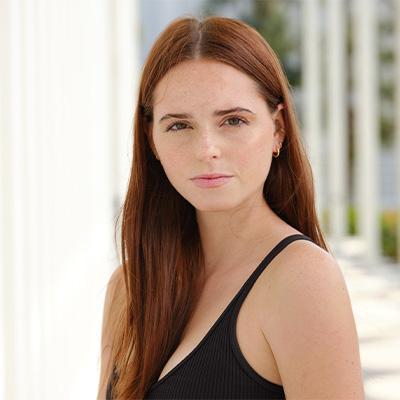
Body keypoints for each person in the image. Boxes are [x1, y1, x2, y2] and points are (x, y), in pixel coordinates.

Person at [97, 15, 365, 400]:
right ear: (151, 140)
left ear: (278, 130)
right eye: (179, 126)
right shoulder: (128, 289)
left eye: (234, 120)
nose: (207, 148)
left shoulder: (300, 280)